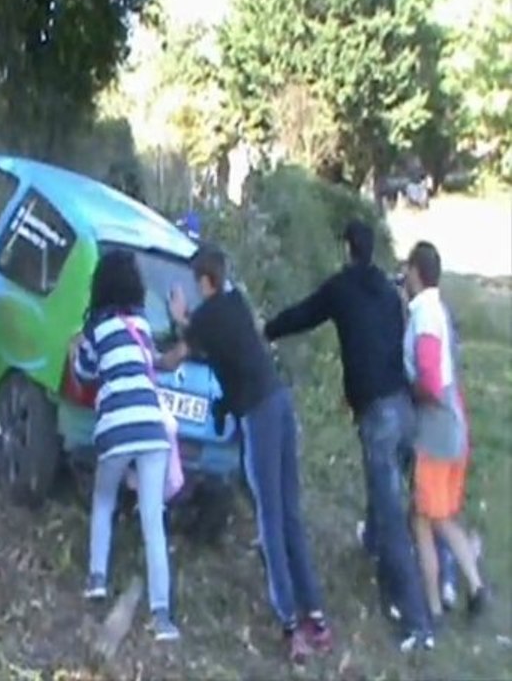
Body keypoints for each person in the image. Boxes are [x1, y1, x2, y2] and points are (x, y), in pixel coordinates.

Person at [262, 220, 434, 650]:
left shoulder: (341, 288)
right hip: (404, 406)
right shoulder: (390, 293)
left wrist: (265, 330)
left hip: (378, 413)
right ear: (372, 251)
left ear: (346, 250)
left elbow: (304, 314)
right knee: (392, 495)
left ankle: (417, 623)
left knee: (391, 511)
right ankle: (383, 554)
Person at [158, 244, 331, 663]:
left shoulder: (205, 316)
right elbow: (212, 333)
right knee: (289, 513)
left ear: (204, 281)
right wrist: (185, 319)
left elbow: (175, 358)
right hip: (281, 403)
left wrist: (143, 355)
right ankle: (317, 618)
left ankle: (290, 626)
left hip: (258, 417)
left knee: (268, 518)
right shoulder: (235, 302)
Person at [69, 249, 180, 642]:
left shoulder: (96, 330)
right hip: (151, 427)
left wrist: (73, 350)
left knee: (104, 501)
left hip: (116, 426)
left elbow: (83, 375)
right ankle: (163, 616)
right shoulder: (142, 324)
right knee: (153, 519)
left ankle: (97, 579)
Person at [403, 241, 487, 622]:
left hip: (435, 431)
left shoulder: (422, 315)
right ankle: (469, 586)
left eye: (407, 269)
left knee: (427, 518)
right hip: (454, 423)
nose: (404, 276)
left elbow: (431, 381)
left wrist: (411, 391)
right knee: (437, 515)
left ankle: (437, 602)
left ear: (416, 272)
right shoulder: (439, 309)